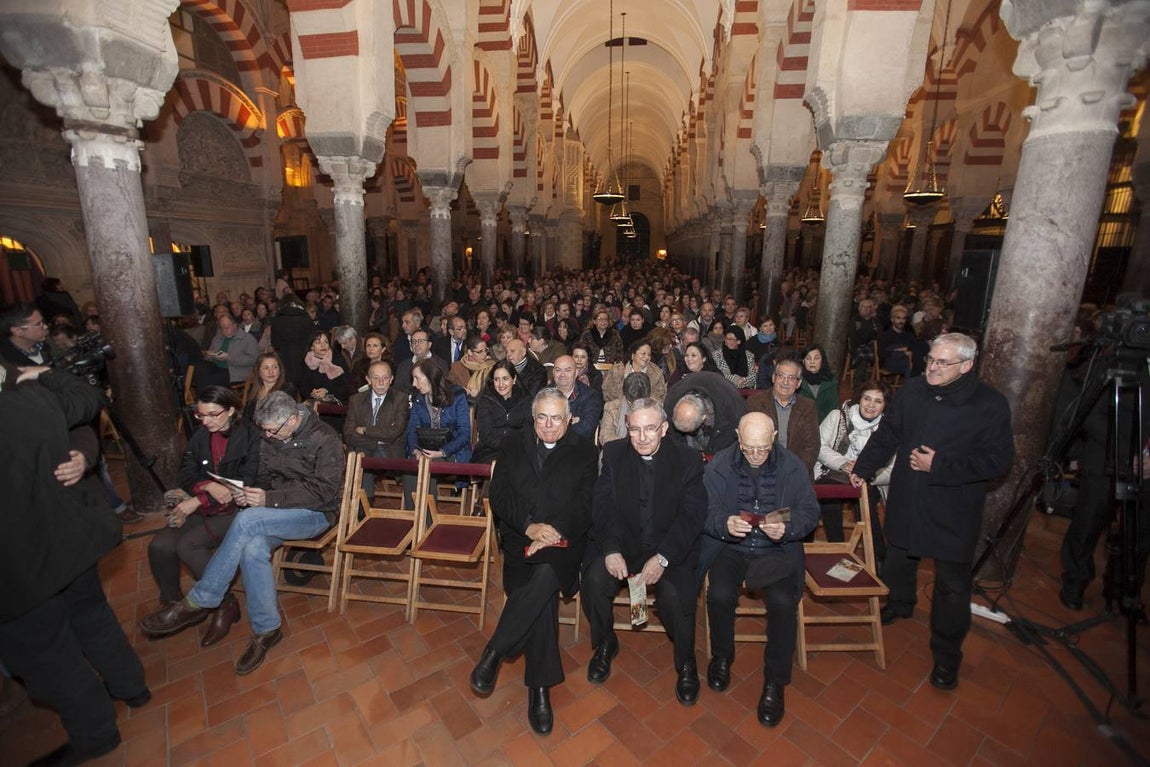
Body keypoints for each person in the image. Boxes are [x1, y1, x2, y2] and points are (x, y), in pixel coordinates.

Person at [0, 362, 149, 765]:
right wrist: (47, 374)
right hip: (68, 541)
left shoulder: (25, 400)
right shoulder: (35, 397)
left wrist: (83, 455)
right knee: (90, 617)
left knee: (48, 656)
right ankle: (131, 686)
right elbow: (86, 398)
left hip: (20, 563)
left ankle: (95, 734)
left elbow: (86, 409)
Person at [850, 333, 1014, 691]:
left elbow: (998, 461)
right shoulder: (912, 391)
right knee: (900, 557)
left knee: (952, 587)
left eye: (943, 362)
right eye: (930, 360)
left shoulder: (990, 404)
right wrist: (863, 467)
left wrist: (939, 464)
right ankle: (900, 601)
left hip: (953, 506)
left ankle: (946, 657)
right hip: (908, 495)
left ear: (967, 365)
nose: (933, 367)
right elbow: (888, 434)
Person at [140, 392, 344, 675]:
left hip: (316, 514)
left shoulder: (326, 439)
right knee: (252, 548)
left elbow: (324, 492)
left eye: (274, 430)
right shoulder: (268, 437)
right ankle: (267, 629)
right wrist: (245, 491)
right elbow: (262, 476)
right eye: (265, 430)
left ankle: (203, 598)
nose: (268, 435)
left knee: (248, 521)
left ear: (294, 419)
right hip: (274, 513)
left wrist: (268, 500)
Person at [469, 388, 598, 735]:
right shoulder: (513, 444)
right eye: (542, 417)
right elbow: (500, 495)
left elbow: (586, 506)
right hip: (520, 539)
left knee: (544, 575)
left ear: (569, 418)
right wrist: (530, 527)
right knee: (539, 597)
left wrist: (552, 533)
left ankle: (495, 652)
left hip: (563, 541)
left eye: (557, 418)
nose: (550, 426)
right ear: (532, 417)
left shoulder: (585, 451)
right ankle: (538, 689)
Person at [581, 399, 707, 704]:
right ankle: (605, 643)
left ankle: (686, 661)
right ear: (626, 427)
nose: (642, 437)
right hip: (623, 545)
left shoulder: (688, 459)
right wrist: (610, 549)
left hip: (669, 549)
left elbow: (692, 515)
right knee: (594, 581)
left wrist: (663, 557)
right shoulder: (613, 453)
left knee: (675, 596)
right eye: (635, 429)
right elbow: (602, 506)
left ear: (664, 428)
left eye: (650, 428)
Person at [700, 412, 819, 727]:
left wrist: (788, 527)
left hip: (776, 550)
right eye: (749, 448)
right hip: (732, 548)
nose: (755, 455)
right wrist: (723, 523)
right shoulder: (719, 465)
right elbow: (703, 509)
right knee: (720, 594)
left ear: (775, 437)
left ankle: (775, 681)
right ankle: (723, 656)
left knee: (783, 603)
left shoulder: (792, 466)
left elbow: (809, 512)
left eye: (763, 449)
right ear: (738, 437)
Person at [145, 386, 261, 647]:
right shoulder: (200, 437)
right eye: (200, 415)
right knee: (160, 547)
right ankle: (176, 604)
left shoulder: (250, 436)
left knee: (188, 544)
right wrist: (206, 487)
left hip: (237, 509)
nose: (205, 421)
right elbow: (185, 476)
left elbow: (248, 480)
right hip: (204, 505)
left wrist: (198, 499)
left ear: (231, 410)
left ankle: (221, 602)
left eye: (212, 414)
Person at [814, 380, 894, 562]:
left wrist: (867, 473)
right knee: (828, 495)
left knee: (865, 500)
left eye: (878, 401)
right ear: (859, 399)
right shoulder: (839, 416)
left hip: (869, 478)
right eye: (867, 398)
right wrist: (844, 463)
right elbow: (819, 446)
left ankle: (878, 559)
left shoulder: (889, 428)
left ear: (885, 405)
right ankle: (838, 549)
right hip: (834, 470)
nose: (871, 405)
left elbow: (891, 468)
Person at [745, 357, 820, 475]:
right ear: (774, 378)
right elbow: (749, 440)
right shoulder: (755, 403)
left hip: (796, 472)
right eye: (781, 376)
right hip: (762, 471)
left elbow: (812, 445)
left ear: (798, 383)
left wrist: (794, 471)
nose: (785, 382)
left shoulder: (808, 407)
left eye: (791, 378)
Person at [665, 370, 748, 455]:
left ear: (704, 417)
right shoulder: (671, 401)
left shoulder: (732, 408)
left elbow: (730, 444)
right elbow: (675, 439)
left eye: (691, 432)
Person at [472, 359, 532, 463]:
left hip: (519, 449)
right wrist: (507, 446)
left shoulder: (525, 400)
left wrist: (516, 447)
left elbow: (528, 431)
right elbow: (486, 436)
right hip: (489, 451)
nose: (501, 384)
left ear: (514, 379)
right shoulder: (485, 400)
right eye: (496, 379)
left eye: (505, 379)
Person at [550, 354, 603, 441]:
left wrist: (552, 431)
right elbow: (534, 423)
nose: (562, 374)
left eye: (567, 370)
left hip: (576, 447)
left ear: (576, 373)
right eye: (558, 370)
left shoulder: (591, 396)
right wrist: (570, 423)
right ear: (553, 373)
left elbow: (586, 430)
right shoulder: (543, 394)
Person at [602, 337, 667, 406]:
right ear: (633, 355)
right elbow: (607, 391)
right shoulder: (617, 370)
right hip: (619, 407)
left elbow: (660, 396)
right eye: (643, 353)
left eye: (649, 354)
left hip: (646, 409)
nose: (646, 357)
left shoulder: (656, 373)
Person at [269, 295, 315, 392]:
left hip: (286, 359)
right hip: (304, 358)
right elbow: (312, 340)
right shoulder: (306, 318)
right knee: (306, 390)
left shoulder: (277, 320)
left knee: (289, 390)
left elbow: (275, 342)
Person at [242, 352, 298, 422]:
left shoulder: (287, 389)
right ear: (258, 371)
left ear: (280, 369)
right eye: (266, 368)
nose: (271, 371)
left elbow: (280, 419)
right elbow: (246, 416)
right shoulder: (253, 389)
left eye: (275, 367)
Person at [598, 371, 651, 444]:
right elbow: (605, 437)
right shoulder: (611, 407)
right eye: (631, 402)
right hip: (617, 450)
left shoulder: (655, 409)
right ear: (625, 395)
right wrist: (630, 444)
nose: (635, 406)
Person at [299, 330, 348, 404]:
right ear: (311, 347)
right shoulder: (306, 361)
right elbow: (303, 386)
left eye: (326, 342)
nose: (323, 345)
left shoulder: (338, 360)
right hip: (314, 403)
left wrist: (327, 392)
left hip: (335, 404)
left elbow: (346, 385)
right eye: (318, 343)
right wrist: (312, 393)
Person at [797, 344, 839, 422]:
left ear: (822, 360)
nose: (812, 362)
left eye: (816, 358)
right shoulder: (797, 381)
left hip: (825, 425)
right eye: (808, 358)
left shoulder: (830, 381)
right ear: (803, 361)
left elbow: (833, 409)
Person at [448, 334, 495, 398]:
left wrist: (480, 394)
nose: (484, 354)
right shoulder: (456, 367)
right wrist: (462, 390)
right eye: (480, 352)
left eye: (486, 350)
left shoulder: (491, 366)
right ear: (470, 352)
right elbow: (449, 388)